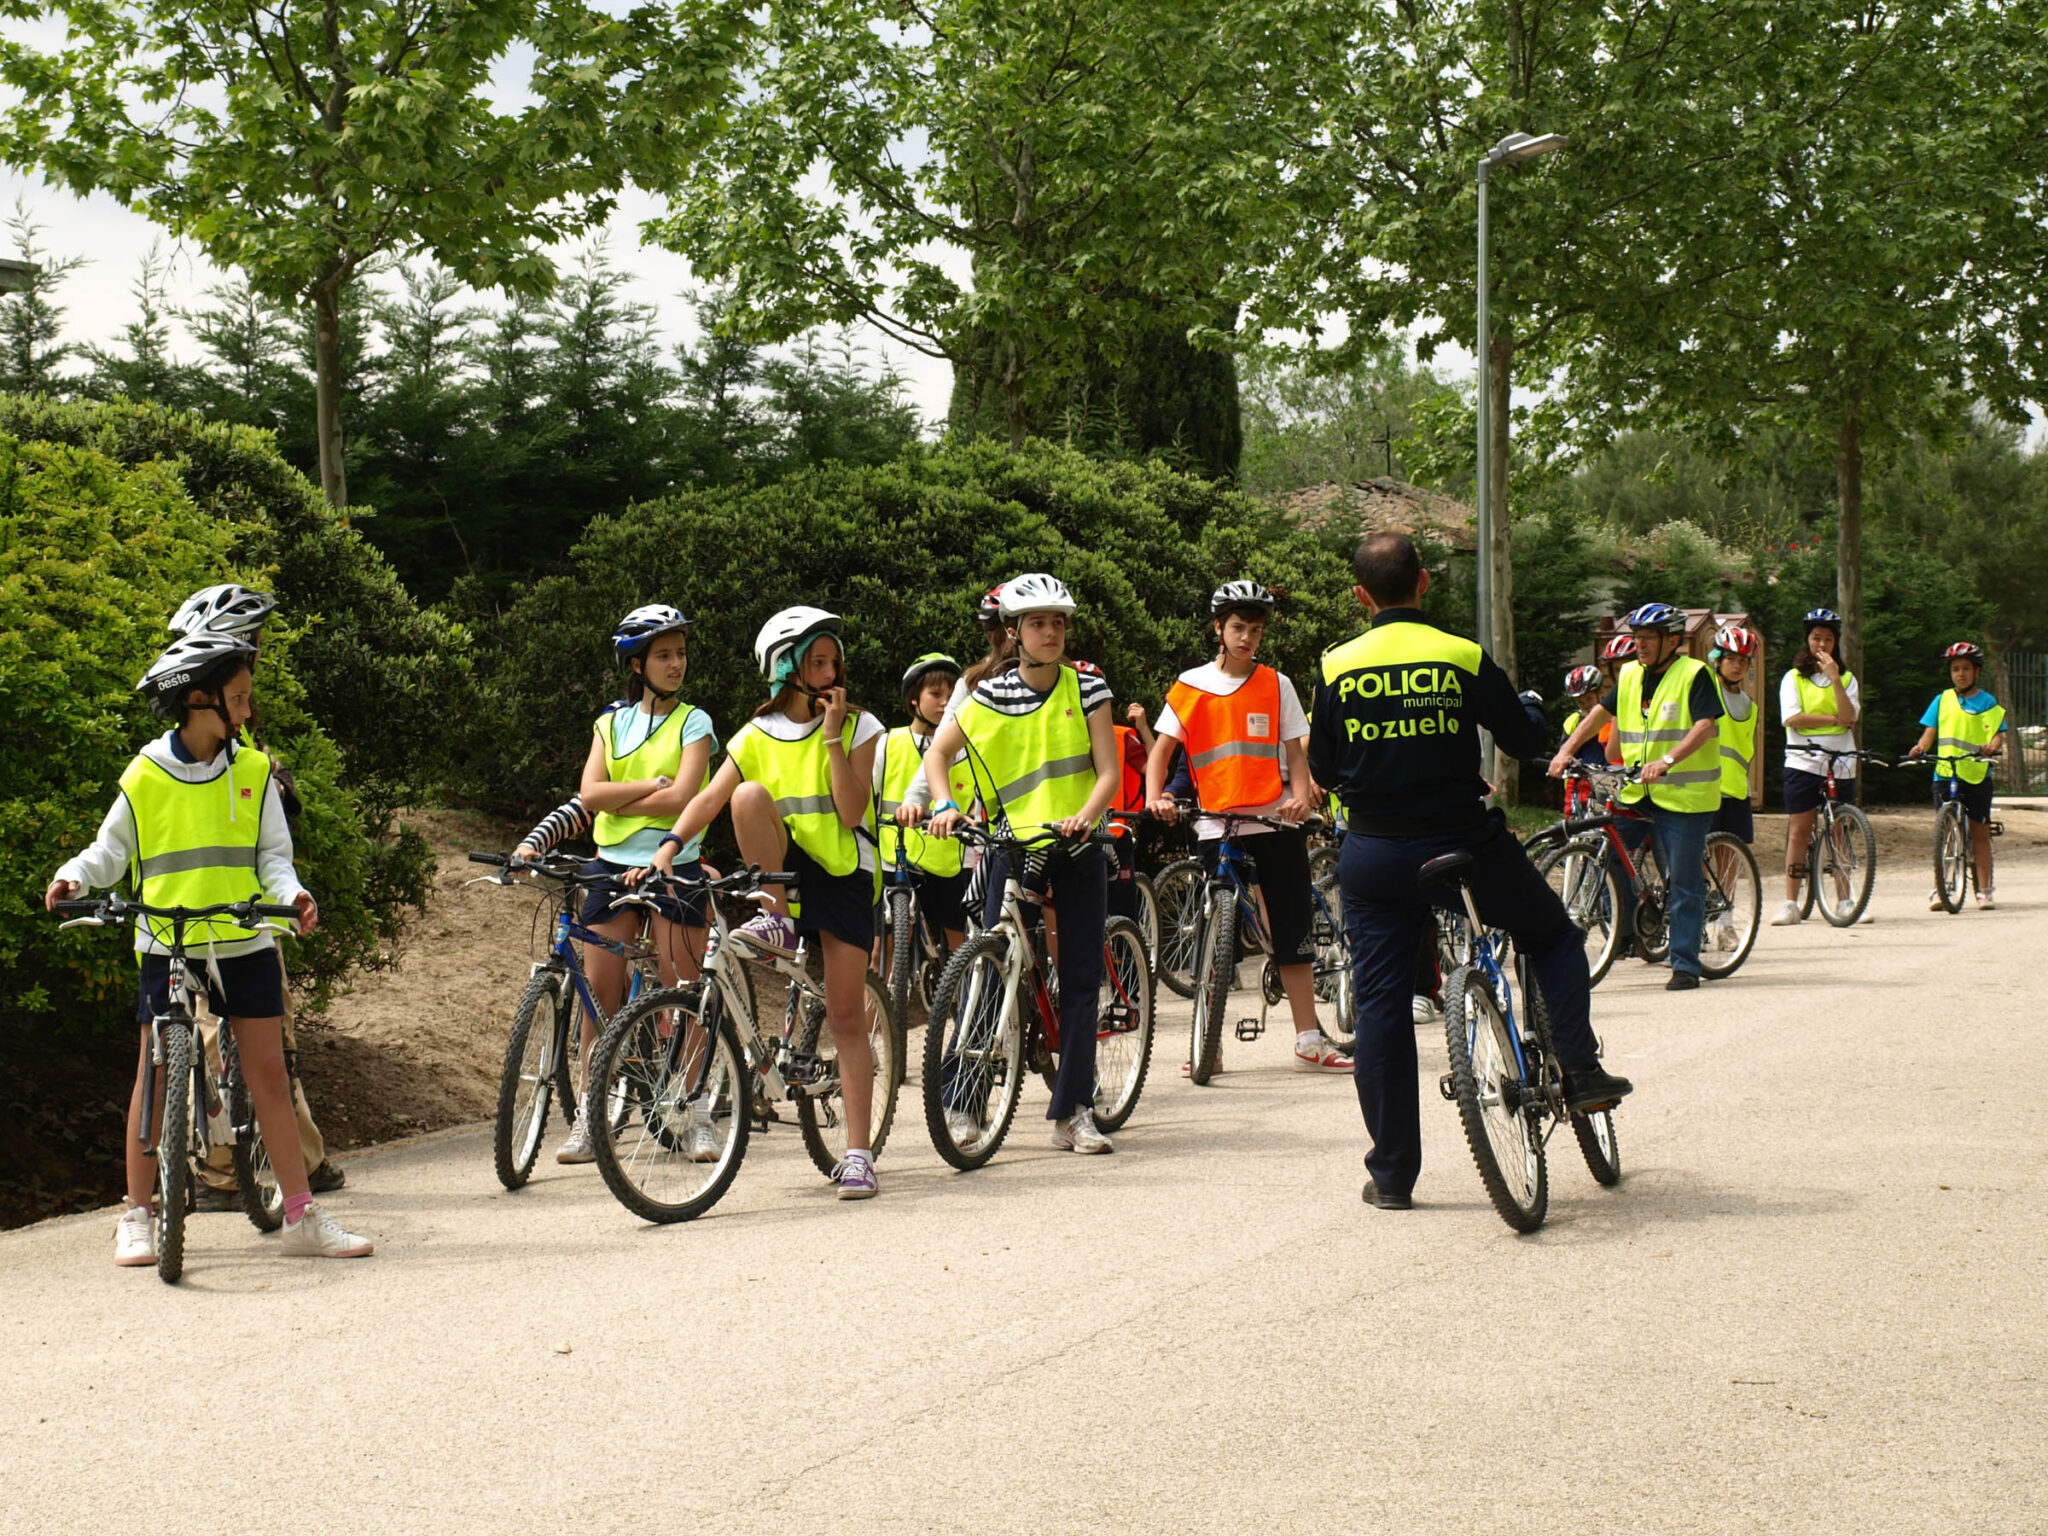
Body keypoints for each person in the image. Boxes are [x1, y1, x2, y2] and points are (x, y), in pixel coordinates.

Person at [1314, 534, 1631, 1210]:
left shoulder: (1337, 664)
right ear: (1424, 583)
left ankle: (1393, 1177)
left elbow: (1322, 768)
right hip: (1459, 842)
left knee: (1380, 1010)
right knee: (1550, 937)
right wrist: (1536, 710)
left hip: (1373, 853)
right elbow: (1521, 738)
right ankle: (1577, 1065)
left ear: (1360, 596)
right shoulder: (1459, 654)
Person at [46, 633, 372, 1263]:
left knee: (268, 1077)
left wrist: (294, 894)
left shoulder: (253, 772)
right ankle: (137, 1216)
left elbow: (274, 858)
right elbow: (110, 851)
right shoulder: (143, 775)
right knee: (154, 1071)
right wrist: (75, 876)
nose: (248, 711)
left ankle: (301, 1216)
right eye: (239, 698)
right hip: (166, 940)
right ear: (199, 699)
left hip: (243, 940)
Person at [646, 607, 886, 1200]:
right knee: (747, 794)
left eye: (835, 662)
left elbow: (852, 812)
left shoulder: (861, 727)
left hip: (845, 873)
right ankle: (774, 918)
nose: (831, 673)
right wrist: (669, 847)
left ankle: (858, 1154)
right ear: (786, 670)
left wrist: (831, 736)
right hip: (784, 870)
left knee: (848, 1014)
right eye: (818, 663)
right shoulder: (755, 735)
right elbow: (708, 801)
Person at [913, 573, 1124, 1154]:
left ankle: (1074, 1111)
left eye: (1058, 622)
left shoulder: (1088, 686)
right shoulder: (988, 694)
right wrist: (946, 802)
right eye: (1037, 623)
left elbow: (1108, 771)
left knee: (1081, 980)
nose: (1050, 632)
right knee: (985, 970)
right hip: (1011, 847)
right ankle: (965, 1102)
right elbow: (938, 754)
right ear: (1014, 633)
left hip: (1078, 844)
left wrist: (1085, 815)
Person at [166, 584, 348, 1208]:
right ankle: (226, 1171)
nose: (258, 656)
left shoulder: (224, 721)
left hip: (244, 910)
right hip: (212, 917)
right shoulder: (200, 726)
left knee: (266, 1040)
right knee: (226, 1039)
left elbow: (263, 810)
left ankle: (298, 1157)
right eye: (252, 644)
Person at [1146, 579, 1352, 1074]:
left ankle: (1308, 1037)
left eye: (1255, 630)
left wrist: (1300, 797)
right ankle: (1209, 1045)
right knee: (1215, 933)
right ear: (1219, 628)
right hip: (1217, 826)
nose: (1247, 638)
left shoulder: (1276, 684)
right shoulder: (1191, 684)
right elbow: (1161, 753)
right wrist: (1157, 797)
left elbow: (1296, 757)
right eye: (1238, 627)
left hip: (1274, 821)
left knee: (1292, 929)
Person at [551, 606, 716, 1164]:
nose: (676, 664)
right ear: (637, 662)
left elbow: (685, 797)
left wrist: (622, 795)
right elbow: (588, 794)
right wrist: (649, 785)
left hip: (675, 865)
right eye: (664, 655)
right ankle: (589, 1117)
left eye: (681, 653)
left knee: (684, 992)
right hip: (610, 863)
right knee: (599, 998)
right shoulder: (609, 723)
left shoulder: (696, 721)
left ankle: (693, 1113)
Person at [1553, 602, 1722, 989]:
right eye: (1636, 638)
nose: (1639, 645)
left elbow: (1705, 726)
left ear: (1672, 641)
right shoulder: (1629, 675)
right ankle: (1628, 932)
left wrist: (1668, 759)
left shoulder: (1693, 673)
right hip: (1637, 789)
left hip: (1684, 793)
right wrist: (1567, 751)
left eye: (1647, 638)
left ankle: (1685, 964)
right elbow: (1598, 715)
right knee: (1609, 853)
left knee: (1682, 879)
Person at [875, 652, 974, 960]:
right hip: (896, 857)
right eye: (935, 694)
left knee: (962, 946)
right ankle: (877, 1006)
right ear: (913, 700)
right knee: (883, 948)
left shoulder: (967, 749)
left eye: (950, 694)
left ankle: (965, 1004)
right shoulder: (888, 743)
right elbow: (870, 799)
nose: (945, 702)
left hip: (951, 859)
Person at [1772, 608, 1862, 927]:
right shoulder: (1792, 678)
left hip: (1841, 762)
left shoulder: (1847, 678)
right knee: (1799, 830)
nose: (1822, 644)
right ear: (1807, 641)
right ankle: (1790, 903)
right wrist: (1832, 720)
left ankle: (1845, 899)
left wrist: (1835, 679)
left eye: (1828, 638)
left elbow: (1850, 716)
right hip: (1802, 759)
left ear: (1836, 642)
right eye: (1816, 638)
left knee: (1839, 829)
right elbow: (1792, 718)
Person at [1906, 641, 2006, 910]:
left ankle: (1984, 889)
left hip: (1975, 774)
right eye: (1955, 669)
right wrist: (1920, 748)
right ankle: (1942, 888)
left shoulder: (1988, 702)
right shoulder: (1942, 699)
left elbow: (1998, 734)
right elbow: (1930, 732)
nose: (1960, 674)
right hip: (1945, 772)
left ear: (1976, 671)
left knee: (1980, 832)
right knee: (1946, 832)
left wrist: (1991, 748)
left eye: (1965, 669)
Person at [1707, 624, 1761, 951]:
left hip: (1736, 792)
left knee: (1729, 863)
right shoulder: (1707, 691)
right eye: (1730, 658)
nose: (1737, 665)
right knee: (1696, 860)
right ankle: (1697, 922)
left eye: (1743, 660)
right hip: (1706, 788)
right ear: (1718, 659)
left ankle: (1724, 924)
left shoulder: (1751, 707)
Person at [1560, 665, 1610, 773]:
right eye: (1580, 702)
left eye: (1589, 698)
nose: (1586, 704)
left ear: (1601, 692)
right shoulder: (1572, 721)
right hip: (1581, 783)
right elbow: (1564, 755)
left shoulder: (1613, 717)